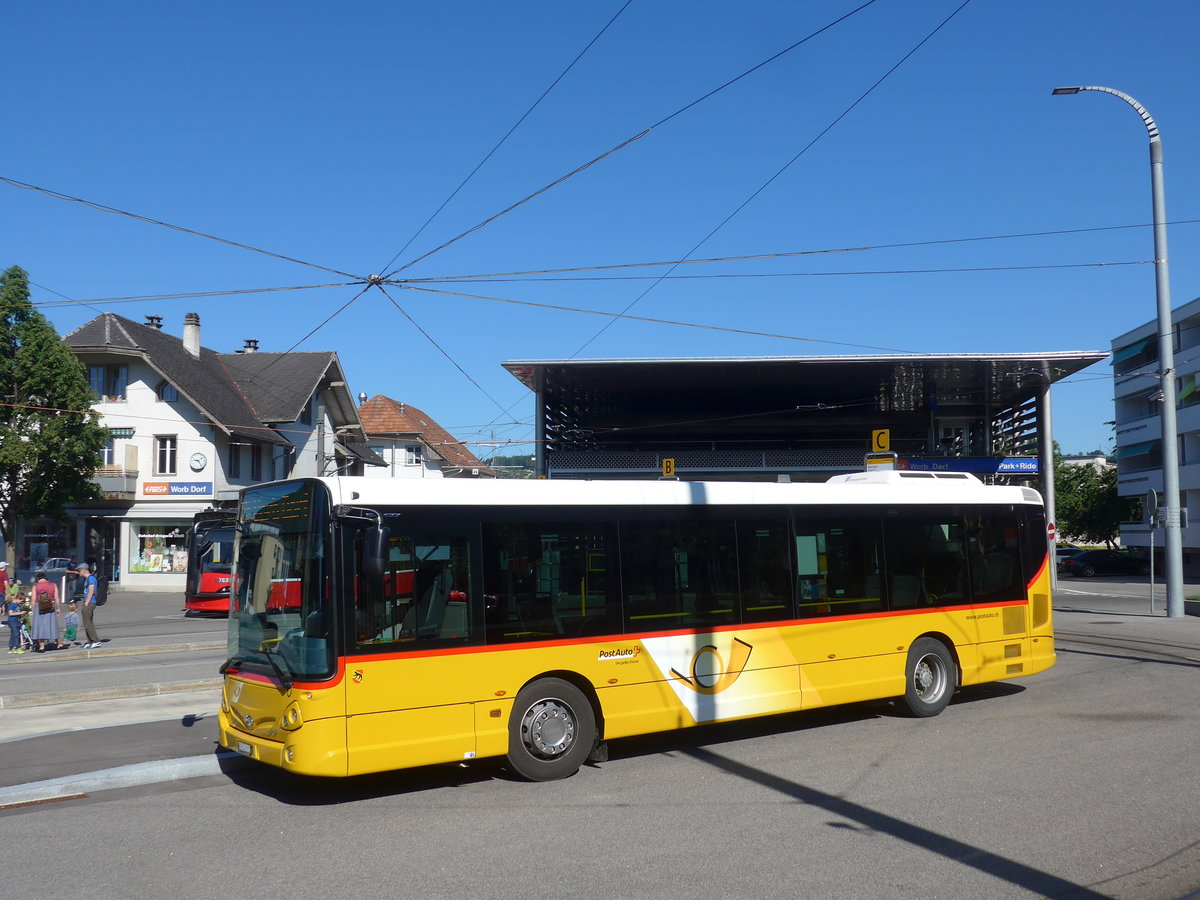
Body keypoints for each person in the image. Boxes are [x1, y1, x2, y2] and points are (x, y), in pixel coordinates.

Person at [30, 571, 62, 653]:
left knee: (40, 626)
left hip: (39, 607)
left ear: (37, 579)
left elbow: (33, 599)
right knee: (53, 625)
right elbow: (57, 598)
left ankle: (42, 647)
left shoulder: (35, 586)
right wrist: (58, 608)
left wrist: (32, 610)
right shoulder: (53, 585)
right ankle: (59, 643)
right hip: (50, 606)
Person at [79, 563, 103, 649]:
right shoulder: (88, 578)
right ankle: (90, 641)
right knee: (87, 622)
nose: (79, 572)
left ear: (84, 570)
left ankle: (96, 641)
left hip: (89, 602)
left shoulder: (91, 578)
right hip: (88, 602)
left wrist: (87, 602)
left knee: (88, 623)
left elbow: (91, 591)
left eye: (79, 570)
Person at [5, 589, 22, 654]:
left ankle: (11, 648)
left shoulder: (17, 605)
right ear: (17, 599)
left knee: (13, 634)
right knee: (16, 634)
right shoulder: (12, 605)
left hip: (17, 621)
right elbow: (10, 613)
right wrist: (21, 613)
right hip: (12, 621)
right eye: (21, 601)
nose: (21, 603)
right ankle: (17, 648)